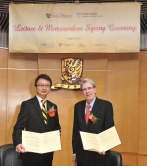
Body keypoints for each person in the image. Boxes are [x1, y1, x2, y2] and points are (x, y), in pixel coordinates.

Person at [13, 74, 61, 166]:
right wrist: (18, 143)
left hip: (48, 153)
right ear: (36, 87)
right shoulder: (27, 105)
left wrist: (57, 134)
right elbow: (18, 127)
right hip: (31, 153)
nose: (44, 88)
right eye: (41, 85)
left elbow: (56, 126)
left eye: (47, 85)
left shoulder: (53, 106)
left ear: (50, 88)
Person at [72, 78, 114, 166]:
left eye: (89, 88)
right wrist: (75, 153)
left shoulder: (106, 105)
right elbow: (75, 131)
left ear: (95, 89)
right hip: (82, 155)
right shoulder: (78, 106)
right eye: (84, 89)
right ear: (82, 92)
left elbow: (109, 130)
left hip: (100, 154)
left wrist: (105, 147)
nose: (87, 91)